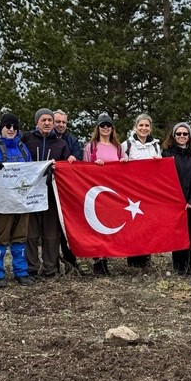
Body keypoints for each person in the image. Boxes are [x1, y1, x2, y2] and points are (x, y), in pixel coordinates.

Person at [0, 112, 35, 287]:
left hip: (21, 199)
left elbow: (30, 170)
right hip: (2, 200)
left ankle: (21, 271)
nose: (11, 129)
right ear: (1, 128)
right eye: (8, 126)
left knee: (20, 236)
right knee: (0, 237)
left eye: (14, 126)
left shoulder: (22, 148)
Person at [22, 108, 74, 278]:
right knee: (31, 234)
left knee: (51, 234)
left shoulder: (60, 144)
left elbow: (68, 168)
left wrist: (70, 162)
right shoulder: (26, 139)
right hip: (30, 195)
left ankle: (50, 269)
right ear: (37, 122)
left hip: (52, 195)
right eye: (43, 120)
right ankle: (31, 268)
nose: (47, 123)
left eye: (49, 120)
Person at [82, 113, 123, 276]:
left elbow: (124, 169)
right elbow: (83, 170)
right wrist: (94, 166)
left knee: (108, 225)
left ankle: (106, 259)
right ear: (97, 128)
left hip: (113, 193)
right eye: (102, 125)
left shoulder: (118, 147)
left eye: (108, 125)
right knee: (97, 227)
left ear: (112, 128)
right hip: (96, 192)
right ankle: (98, 261)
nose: (105, 128)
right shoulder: (90, 147)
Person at [121, 113, 161, 269]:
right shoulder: (127, 145)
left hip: (149, 192)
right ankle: (133, 259)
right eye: (141, 125)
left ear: (150, 128)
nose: (143, 128)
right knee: (133, 224)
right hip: (132, 192)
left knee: (146, 224)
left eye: (146, 126)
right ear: (135, 127)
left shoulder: (156, 146)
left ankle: (146, 258)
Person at [163, 122, 191, 275]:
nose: (181, 136)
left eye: (185, 134)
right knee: (176, 235)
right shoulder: (166, 153)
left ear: (189, 136)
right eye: (178, 134)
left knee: (190, 234)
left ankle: (190, 266)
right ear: (173, 136)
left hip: (190, 202)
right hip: (173, 202)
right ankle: (178, 267)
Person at [53, 110, 84, 272]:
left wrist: (74, 159)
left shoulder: (72, 140)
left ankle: (71, 263)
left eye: (64, 122)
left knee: (68, 227)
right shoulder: (44, 139)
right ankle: (51, 265)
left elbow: (79, 158)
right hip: (47, 190)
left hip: (68, 192)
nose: (61, 125)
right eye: (58, 122)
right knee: (50, 231)